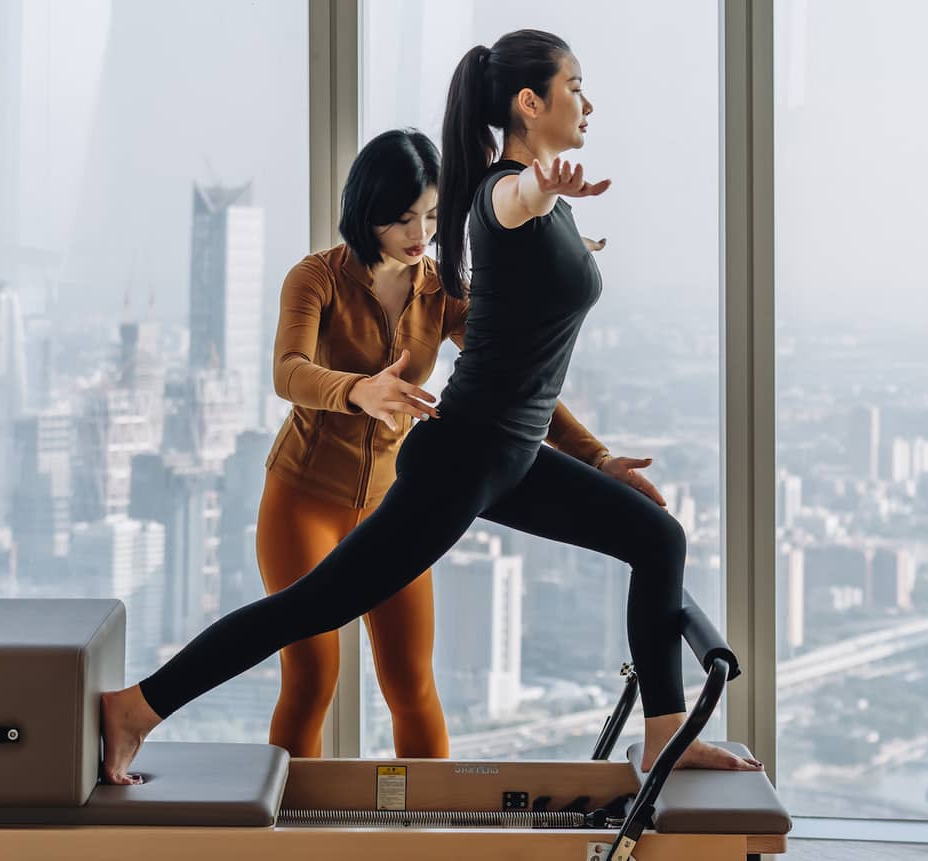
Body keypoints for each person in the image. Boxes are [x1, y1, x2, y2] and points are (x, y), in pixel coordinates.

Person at [101, 29, 762, 783]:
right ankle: (134, 710)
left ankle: (665, 740)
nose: (587, 100)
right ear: (528, 101)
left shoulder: (502, 233)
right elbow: (508, 201)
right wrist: (542, 184)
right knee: (310, 612)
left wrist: (600, 458)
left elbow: (525, 368)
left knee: (659, 540)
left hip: (509, 457)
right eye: (574, 84)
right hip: (462, 459)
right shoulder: (500, 196)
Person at [259, 128, 621, 759]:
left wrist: (596, 456)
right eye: (401, 218)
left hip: (395, 506)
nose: (419, 232)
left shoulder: (443, 290)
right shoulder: (316, 278)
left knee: (412, 685)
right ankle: (290, 838)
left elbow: (515, 382)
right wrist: (358, 391)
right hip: (303, 500)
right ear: (364, 213)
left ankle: (431, 835)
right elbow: (286, 370)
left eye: (430, 215)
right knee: (313, 679)